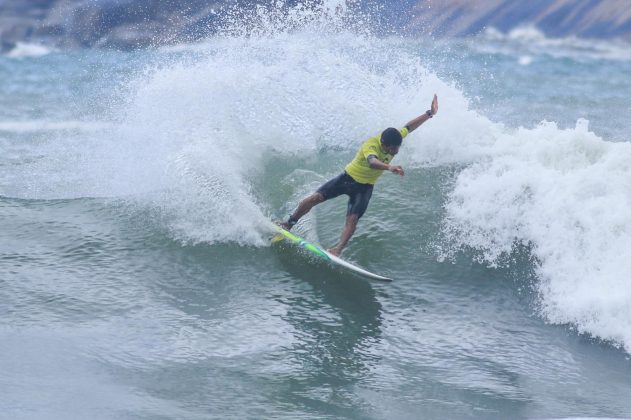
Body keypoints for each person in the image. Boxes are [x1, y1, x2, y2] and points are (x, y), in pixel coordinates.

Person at [279, 94, 439, 256]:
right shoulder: (371, 145)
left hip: (364, 188)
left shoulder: (393, 137)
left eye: (398, 148)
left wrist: (429, 113)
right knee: (314, 199)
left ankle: (337, 250)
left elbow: (409, 127)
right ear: (384, 144)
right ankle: (288, 223)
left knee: (353, 219)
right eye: (393, 149)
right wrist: (389, 167)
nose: (396, 151)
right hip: (347, 179)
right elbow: (372, 162)